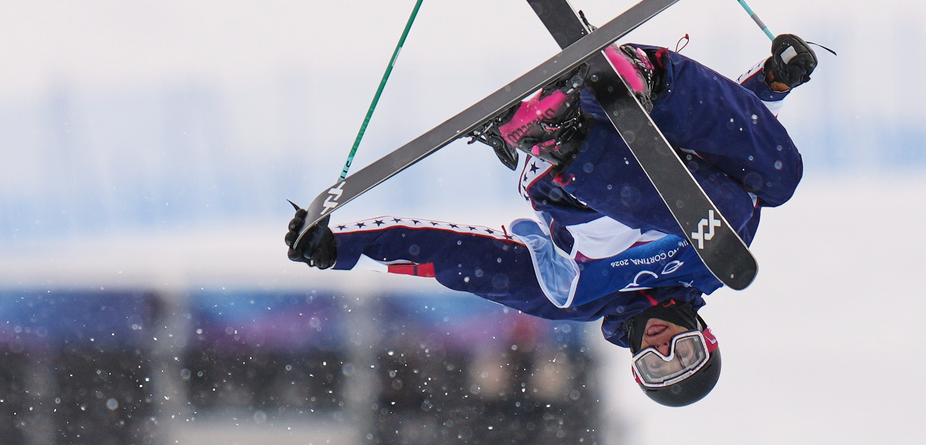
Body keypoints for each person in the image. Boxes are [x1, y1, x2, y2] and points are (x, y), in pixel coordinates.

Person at [286, 34, 818, 407]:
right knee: (775, 183)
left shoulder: (575, 298)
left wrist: (341, 248)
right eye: (684, 353)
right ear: (705, 335)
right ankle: (644, 79)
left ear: (636, 366)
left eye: (656, 366)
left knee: (668, 226)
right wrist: (771, 84)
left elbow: (456, 259)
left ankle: (559, 133)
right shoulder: (717, 262)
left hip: (573, 185)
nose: (662, 346)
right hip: (649, 120)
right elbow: (726, 148)